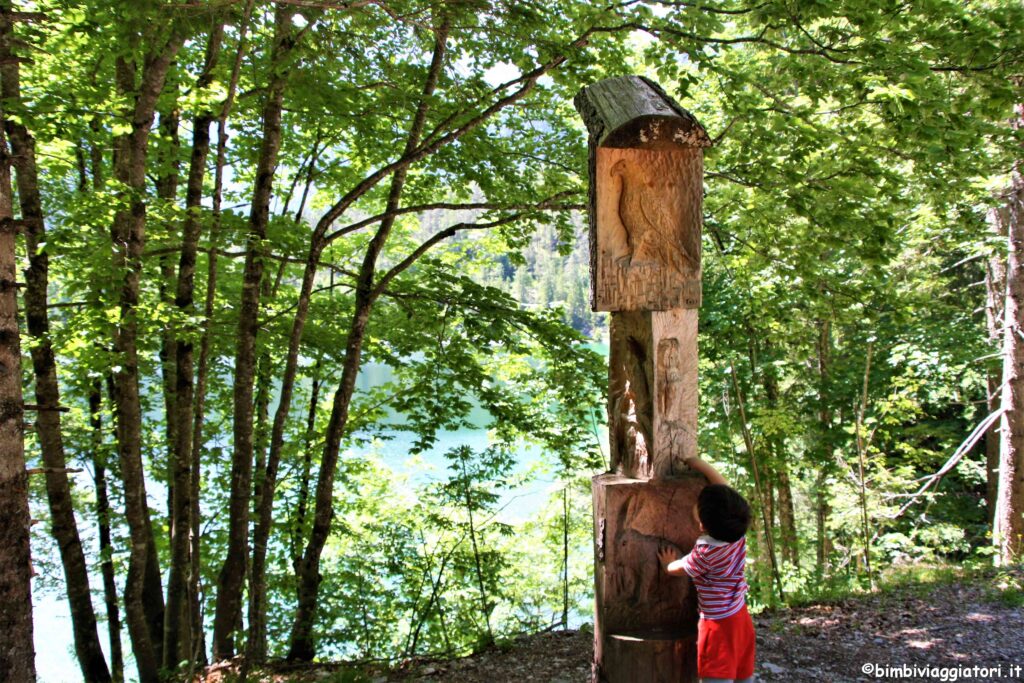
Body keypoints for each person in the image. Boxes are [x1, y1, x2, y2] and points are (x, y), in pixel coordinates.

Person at [657, 456, 755, 683]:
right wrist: (698, 463)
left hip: (717, 626)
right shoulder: (737, 533)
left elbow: (679, 568)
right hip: (740, 618)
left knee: (717, 676)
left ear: (701, 525)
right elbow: (724, 489)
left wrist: (667, 563)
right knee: (743, 673)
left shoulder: (706, 553)